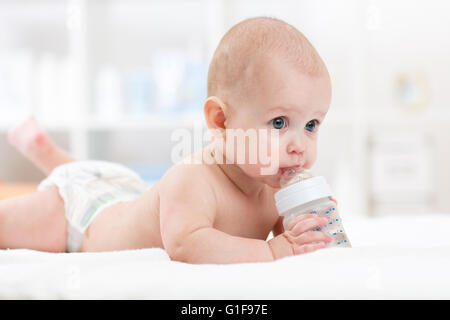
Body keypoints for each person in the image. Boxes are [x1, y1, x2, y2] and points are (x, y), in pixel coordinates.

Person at [0, 17, 335, 263]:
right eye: (279, 122)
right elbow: (187, 245)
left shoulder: (273, 191)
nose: (299, 146)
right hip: (81, 217)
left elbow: (296, 242)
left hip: (126, 190)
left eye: (311, 125)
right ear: (221, 120)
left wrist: (310, 223)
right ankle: (51, 159)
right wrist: (271, 250)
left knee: (93, 178)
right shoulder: (192, 179)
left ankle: (45, 152)